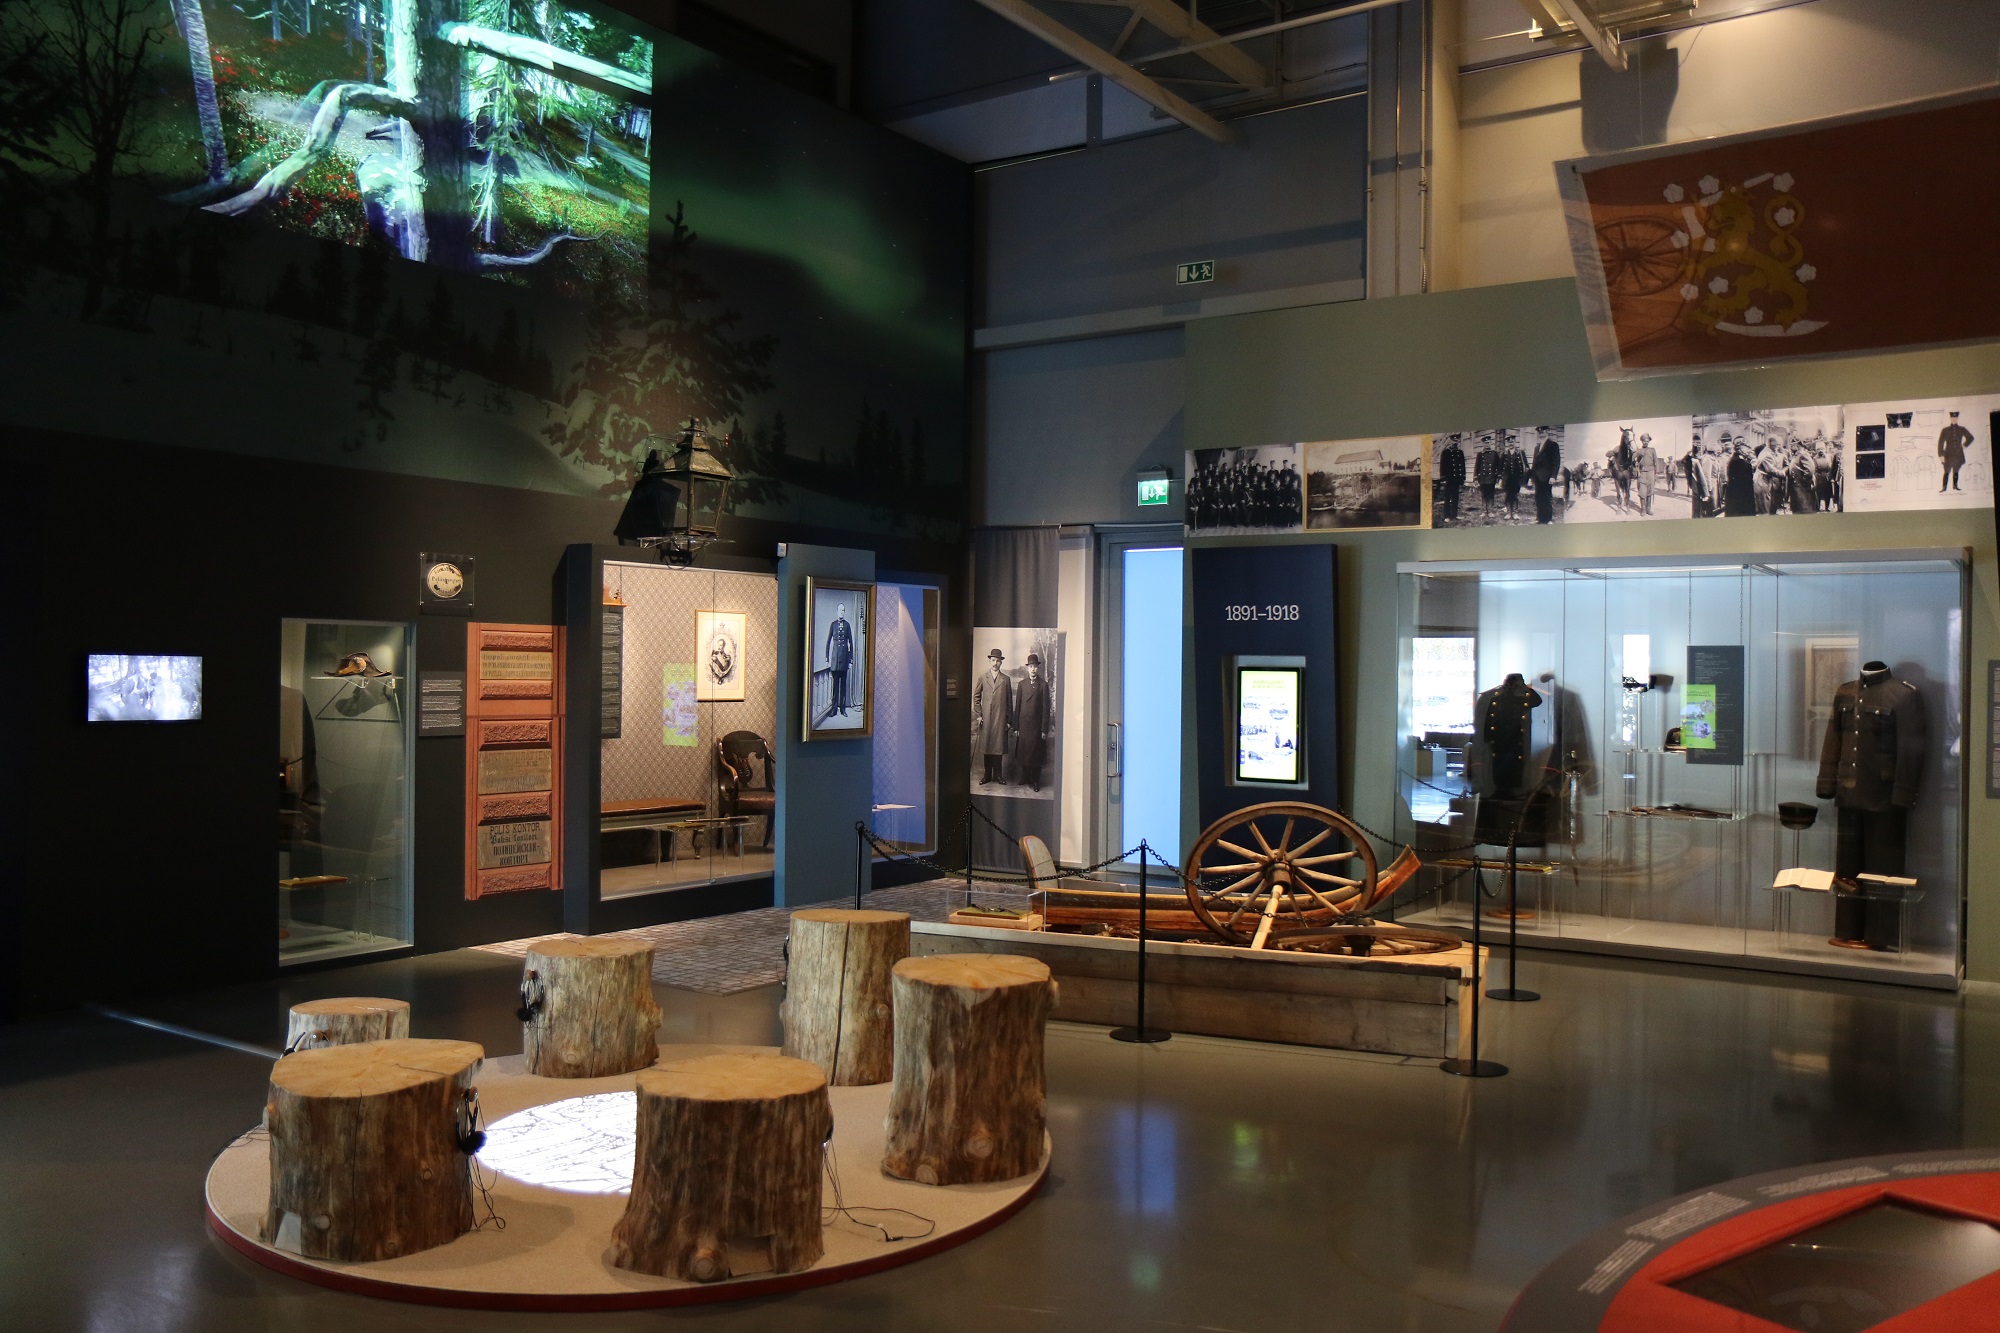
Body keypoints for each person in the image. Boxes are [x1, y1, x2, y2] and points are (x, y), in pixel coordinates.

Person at [1013, 653, 1053, 792]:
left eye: (1035, 666)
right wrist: (1016, 726)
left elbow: (1046, 709)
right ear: (1027, 668)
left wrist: (1044, 729)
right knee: (1024, 753)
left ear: (1038, 668)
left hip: (1036, 728)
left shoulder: (1043, 685)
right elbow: (1017, 707)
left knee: (1035, 756)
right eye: (1030, 666)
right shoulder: (1022, 684)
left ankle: (1035, 780)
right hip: (1024, 726)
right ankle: (1025, 777)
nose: (1033, 669)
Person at [972, 648, 1012, 786]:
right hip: (987, 720)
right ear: (990, 661)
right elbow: (976, 697)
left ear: (1001, 663)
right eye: (993, 660)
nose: (995, 663)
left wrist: (1009, 721)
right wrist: (978, 715)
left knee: (998, 749)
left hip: (1000, 720)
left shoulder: (1006, 679)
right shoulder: (983, 677)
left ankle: (998, 776)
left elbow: (1009, 702)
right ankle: (987, 775)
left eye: (998, 661)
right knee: (987, 748)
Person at [824, 601, 854, 717]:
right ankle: (834, 709)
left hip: (844, 659)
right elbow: (828, 642)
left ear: (844, 612)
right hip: (835, 660)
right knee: (835, 686)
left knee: (843, 686)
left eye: (843, 610)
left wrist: (851, 660)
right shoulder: (833, 625)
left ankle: (843, 709)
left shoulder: (847, 625)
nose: (841, 612)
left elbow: (851, 643)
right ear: (837, 612)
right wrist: (827, 659)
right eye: (840, 610)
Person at [1531, 429, 1562, 525]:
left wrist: (1553, 476)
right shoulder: (1537, 447)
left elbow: (1556, 462)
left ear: (1547, 432)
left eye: (1543, 431)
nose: (1541, 433)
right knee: (1538, 497)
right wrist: (1532, 478)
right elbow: (1534, 464)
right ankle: (1540, 518)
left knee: (1546, 497)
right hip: (1537, 477)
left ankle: (1548, 519)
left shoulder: (1553, 445)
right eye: (1539, 432)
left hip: (1547, 477)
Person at [1939, 410, 1972, 491]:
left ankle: (1955, 486)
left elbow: (1970, 438)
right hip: (1948, 454)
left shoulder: (1962, 429)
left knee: (1956, 470)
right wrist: (1941, 455)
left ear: (1957, 418)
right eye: (1952, 417)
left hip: (1958, 454)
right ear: (1950, 418)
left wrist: (1964, 446)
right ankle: (1944, 488)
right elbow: (1940, 443)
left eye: (1955, 417)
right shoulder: (1945, 430)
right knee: (1947, 471)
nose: (1954, 419)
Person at [1437, 436, 1466, 522]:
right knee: (1447, 497)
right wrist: (1443, 478)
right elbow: (1442, 466)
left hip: (1457, 478)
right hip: (1449, 479)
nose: (1455, 442)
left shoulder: (1460, 452)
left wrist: (1463, 477)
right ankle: (1447, 515)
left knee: (1455, 497)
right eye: (1453, 440)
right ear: (1450, 441)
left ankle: (1455, 514)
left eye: (1457, 440)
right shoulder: (1446, 452)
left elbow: (1462, 465)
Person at [1634, 432, 1659, 515]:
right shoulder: (1639, 451)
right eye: (1644, 441)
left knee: (1650, 491)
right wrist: (1639, 456)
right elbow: (1634, 460)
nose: (1646, 442)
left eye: (1647, 441)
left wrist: (1657, 473)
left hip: (1651, 472)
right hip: (1642, 473)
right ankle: (1643, 509)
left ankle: (1648, 509)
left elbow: (1656, 461)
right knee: (1642, 492)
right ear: (1642, 441)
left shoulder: (1652, 450)